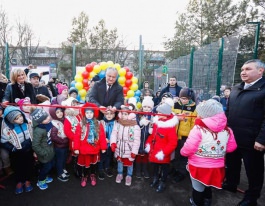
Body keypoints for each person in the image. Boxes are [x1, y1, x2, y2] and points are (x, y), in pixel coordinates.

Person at [223, 59, 265, 206]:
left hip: (253, 141)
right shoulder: (236, 88)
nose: (243, 72)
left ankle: (251, 198)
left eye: (248, 69)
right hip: (233, 138)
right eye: (242, 69)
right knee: (232, 164)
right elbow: (228, 111)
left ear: (260, 71)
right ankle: (231, 184)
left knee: (253, 171)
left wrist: (262, 139)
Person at [180, 99, 237, 206]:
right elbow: (231, 148)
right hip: (217, 167)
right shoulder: (228, 130)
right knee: (209, 184)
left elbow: (188, 148)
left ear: (204, 115)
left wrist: (182, 152)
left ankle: (197, 203)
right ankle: (208, 201)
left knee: (198, 188)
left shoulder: (198, 129)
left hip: (198, 166)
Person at [145, 98, 178, 193]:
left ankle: (162, 182)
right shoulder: (157, 122)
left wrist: (164, 153)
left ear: (165, 114)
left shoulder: (170, 127)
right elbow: (152, 136)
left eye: (159, 113)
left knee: (164, 168)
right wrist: (148, 144)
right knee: (155, 166)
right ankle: (156, 178)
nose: (157, 114)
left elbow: (173, 143)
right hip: (155, 150)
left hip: (163, 152)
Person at [1, 106, 34, 194]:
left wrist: (32, 144)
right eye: (16, 118)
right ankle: (19, 181)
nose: (20, 119)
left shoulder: (28, 122)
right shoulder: (6, 130)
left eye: (20, 116)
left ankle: (27, 180)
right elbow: (3, 141)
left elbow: (33, 133)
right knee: (18, 166)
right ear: (11, 120)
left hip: (29, 149)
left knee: (29, 165)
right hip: (17, 152)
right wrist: (12, 149)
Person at [73, 103, 107, 187]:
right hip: (84, 149)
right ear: (84, 113)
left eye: (90, 113)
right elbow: (76, 136)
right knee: (85, 165)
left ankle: (93, 175)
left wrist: (103, 147)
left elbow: (102, 136)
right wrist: (76, 148)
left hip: (94, 148)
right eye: (87, 113)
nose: (89, 114)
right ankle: (84, 176)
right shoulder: (81, 124)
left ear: (94, 113)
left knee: (93, 164)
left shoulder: (98, 124)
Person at [110, 104, 141, 186]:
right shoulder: (118, 123)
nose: (123, 116)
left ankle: (129, 175)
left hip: (129, 148)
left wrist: (134, 151)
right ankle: (120, 173)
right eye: (122, 114)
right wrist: (113, 143)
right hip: (119, 146)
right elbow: (114, 134)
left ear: (130, 115)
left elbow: (137, 140)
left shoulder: (135, 126)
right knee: (119, 161)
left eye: (126, 114)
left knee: (129, 162)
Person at [171, 88, 197, 183]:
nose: (184, 100)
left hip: (185, 136)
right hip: (174, 134)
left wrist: (191, 135)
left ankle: (182, 172)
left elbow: (193, 123)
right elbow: (171, 115)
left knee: (183, 155)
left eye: (186, 98)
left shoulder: (193, 108)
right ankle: (175, 169)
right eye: (182, 98)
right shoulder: (175, 105)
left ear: (190, 98)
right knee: (175, 154)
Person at [30, 108, 55, 190]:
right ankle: (41, 181)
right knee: (46, 167)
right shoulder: (39, 130)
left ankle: (45, 177)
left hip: (50, 150)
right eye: (44, 118)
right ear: (40, 121)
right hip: (44, 153)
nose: (48, 118)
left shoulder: (48, 124)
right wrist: (44, 153)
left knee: (49, 166)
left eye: (47, 116)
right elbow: (35, 145)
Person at [62, 97, 82, 177]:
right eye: (73, 103)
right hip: (74, 140)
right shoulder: (68, 118)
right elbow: (67, 131)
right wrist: (75, 138)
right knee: (76, 155)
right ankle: (76, 170)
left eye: (76, 103)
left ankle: (81, 168)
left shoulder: (79, 114)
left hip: (81, 138)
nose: (75, 105)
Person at [49, 105, 70, 182]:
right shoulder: (54, 124)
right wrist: (63, 141)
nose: (60, 113)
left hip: (65, 144)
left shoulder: (63, 120)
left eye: (61, 111)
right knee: (60, 160)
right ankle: (59, 173)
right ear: (53, 114)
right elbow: (53, 136)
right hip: (59, 146)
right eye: (57, 112)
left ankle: (63, 169)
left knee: (64, 158)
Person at [135, 96, 154, 179]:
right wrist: (140, 124)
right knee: (138, 155)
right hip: (139, 138)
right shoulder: (138, 115)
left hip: (147, 138)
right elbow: (135, 125)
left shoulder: (153, 116)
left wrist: (151, 128)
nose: (146, 109)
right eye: (145, 106)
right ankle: (138, 170)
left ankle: (145, 169)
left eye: (149, 107)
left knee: (146, 155)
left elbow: (154, 125)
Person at [98, 108, 116, 180]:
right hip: (103, 143)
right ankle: (100, 169)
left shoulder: (115, 123)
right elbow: (98, 132)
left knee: (109, 155)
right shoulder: (101, 122)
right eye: (107, 114)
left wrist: (112, 141)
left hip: (110, 143)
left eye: (111, 114)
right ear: (104, 114)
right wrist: (103, 139)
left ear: (114, 115)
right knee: (102, 156)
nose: (109, 115)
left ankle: (107, 167)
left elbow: (116, 133)